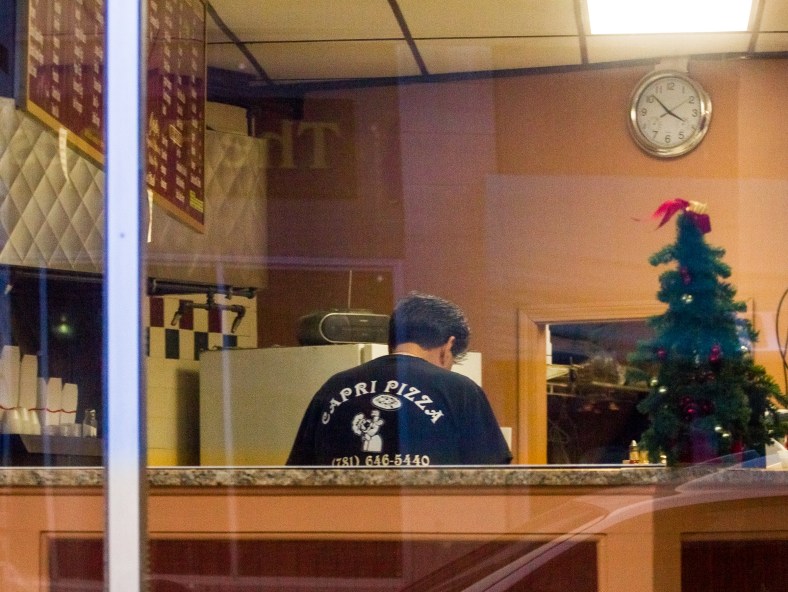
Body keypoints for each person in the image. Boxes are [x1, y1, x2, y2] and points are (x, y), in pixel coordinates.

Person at [286, 293, 513, 466]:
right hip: (429, 522)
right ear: (448, 346)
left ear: (390, 342)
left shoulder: (333, 386)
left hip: (341, 522)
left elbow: (296, 473)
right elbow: (492, 477)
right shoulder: (460, 390)